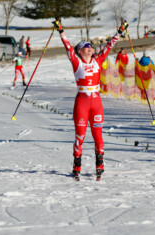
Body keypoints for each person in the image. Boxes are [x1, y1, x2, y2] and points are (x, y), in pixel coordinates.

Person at [52, 17, 127, 180]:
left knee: (98, 136)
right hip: (82, 103)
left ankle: (99, 164)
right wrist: (60, 29)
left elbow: (110, 45)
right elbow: (67, 45)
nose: (90, 48)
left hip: (96, 103)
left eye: (91, 46)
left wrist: (120, 31)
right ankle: (76, 164)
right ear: (80, 50)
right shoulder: (76, 62)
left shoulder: (98, 60)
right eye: (87, 46)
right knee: (80, 135)